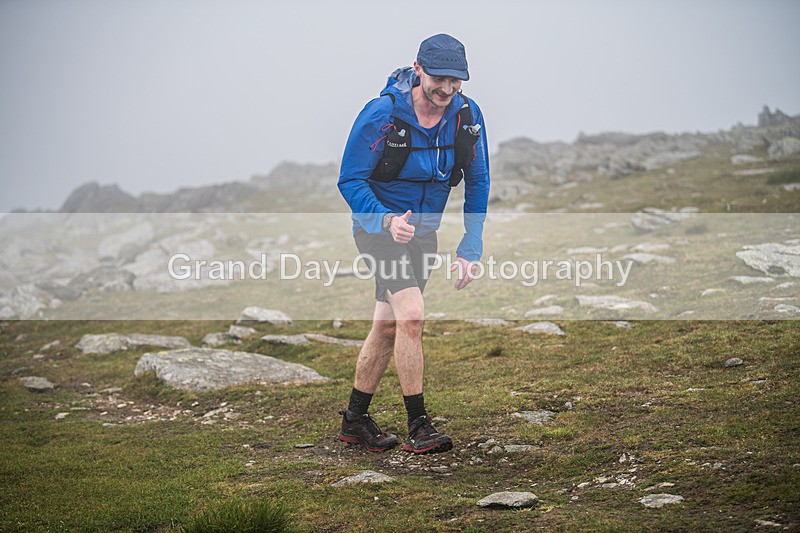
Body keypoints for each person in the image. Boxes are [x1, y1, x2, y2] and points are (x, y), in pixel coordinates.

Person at [337, 33, 490, 454]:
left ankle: (354, 420)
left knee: (387, 325)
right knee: (412, 315)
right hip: (377, 229)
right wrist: (385, 219)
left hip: (423, 233)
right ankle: (419, 425)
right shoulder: (382, 114)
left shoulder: (466, 115)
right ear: (418, 69)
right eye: (439, 78)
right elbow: (349, 179)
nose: (447, 89)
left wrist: (470, 244)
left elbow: (478, 180)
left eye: (456, 81)